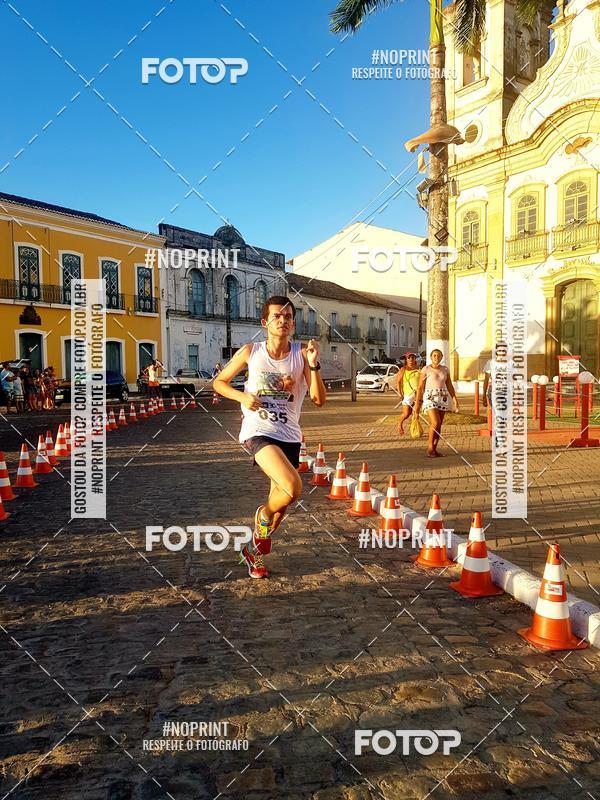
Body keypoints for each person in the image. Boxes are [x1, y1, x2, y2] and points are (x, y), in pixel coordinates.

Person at [213, 295, 327, 579]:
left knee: (282, 504)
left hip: (290, 435)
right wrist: (243, 396)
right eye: (277, 316)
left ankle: (254, 552)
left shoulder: (302, 354)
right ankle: (261, 517)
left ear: (292, 323)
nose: (283, 320)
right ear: (265, 322)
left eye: (288, 316)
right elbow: (219, 382)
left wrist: (313, 365)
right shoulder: (251, 351)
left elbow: (318, 399)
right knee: (293, 487)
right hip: (258, 431)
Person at [414, 349, 459, 457]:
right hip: (430, 397)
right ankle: (430, 448)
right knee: (435, 422)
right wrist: (417, 404)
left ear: (441, 357)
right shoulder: (426, 369)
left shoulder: (445, 369)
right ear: (431, 357)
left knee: (439, 425)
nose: (436, 357)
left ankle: (434, 449)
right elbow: (420, 387)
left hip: (442, 397)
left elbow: (449, 385)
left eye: (438, 356)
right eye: (434, 355)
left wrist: (455, 400)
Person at [396, 352, 421, 435]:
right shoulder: (403, 370)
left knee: (416, 412)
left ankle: (415, 429)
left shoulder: (418, 369)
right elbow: (398, 382)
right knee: (407, 413)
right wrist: (400, 393)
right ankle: (399, 423)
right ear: (406, 360)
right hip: (407, 394)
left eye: (413, 358)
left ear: (415, 359)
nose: (411, 360)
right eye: (409, 358)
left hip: (418, 394)